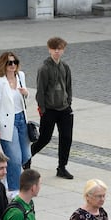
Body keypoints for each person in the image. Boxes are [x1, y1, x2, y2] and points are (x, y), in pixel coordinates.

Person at [31, 37, 74, 179]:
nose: (57, 51)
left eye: (59, 49)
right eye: (54, 49)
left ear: (63, 50)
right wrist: (42, 109)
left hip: (64, 109)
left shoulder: (65, 67)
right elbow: (40, 90)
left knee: (66, 138)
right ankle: (27, 157)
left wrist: (68, 102)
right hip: (49, 109)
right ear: (49, 49)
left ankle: (62, 167)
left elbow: (68, 86)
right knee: (44, 138)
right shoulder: (44, 68)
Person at [0, 52, 31, 192]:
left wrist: (26, 93)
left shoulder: (21, 76)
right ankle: (14, 190)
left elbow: (25, 98)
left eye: (15, 62)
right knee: (15, 159)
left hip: (22, 119)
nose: (13, 65)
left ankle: (8, 177)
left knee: (26, 155)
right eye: (9, 63)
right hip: (8, 122)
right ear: (4, 64)